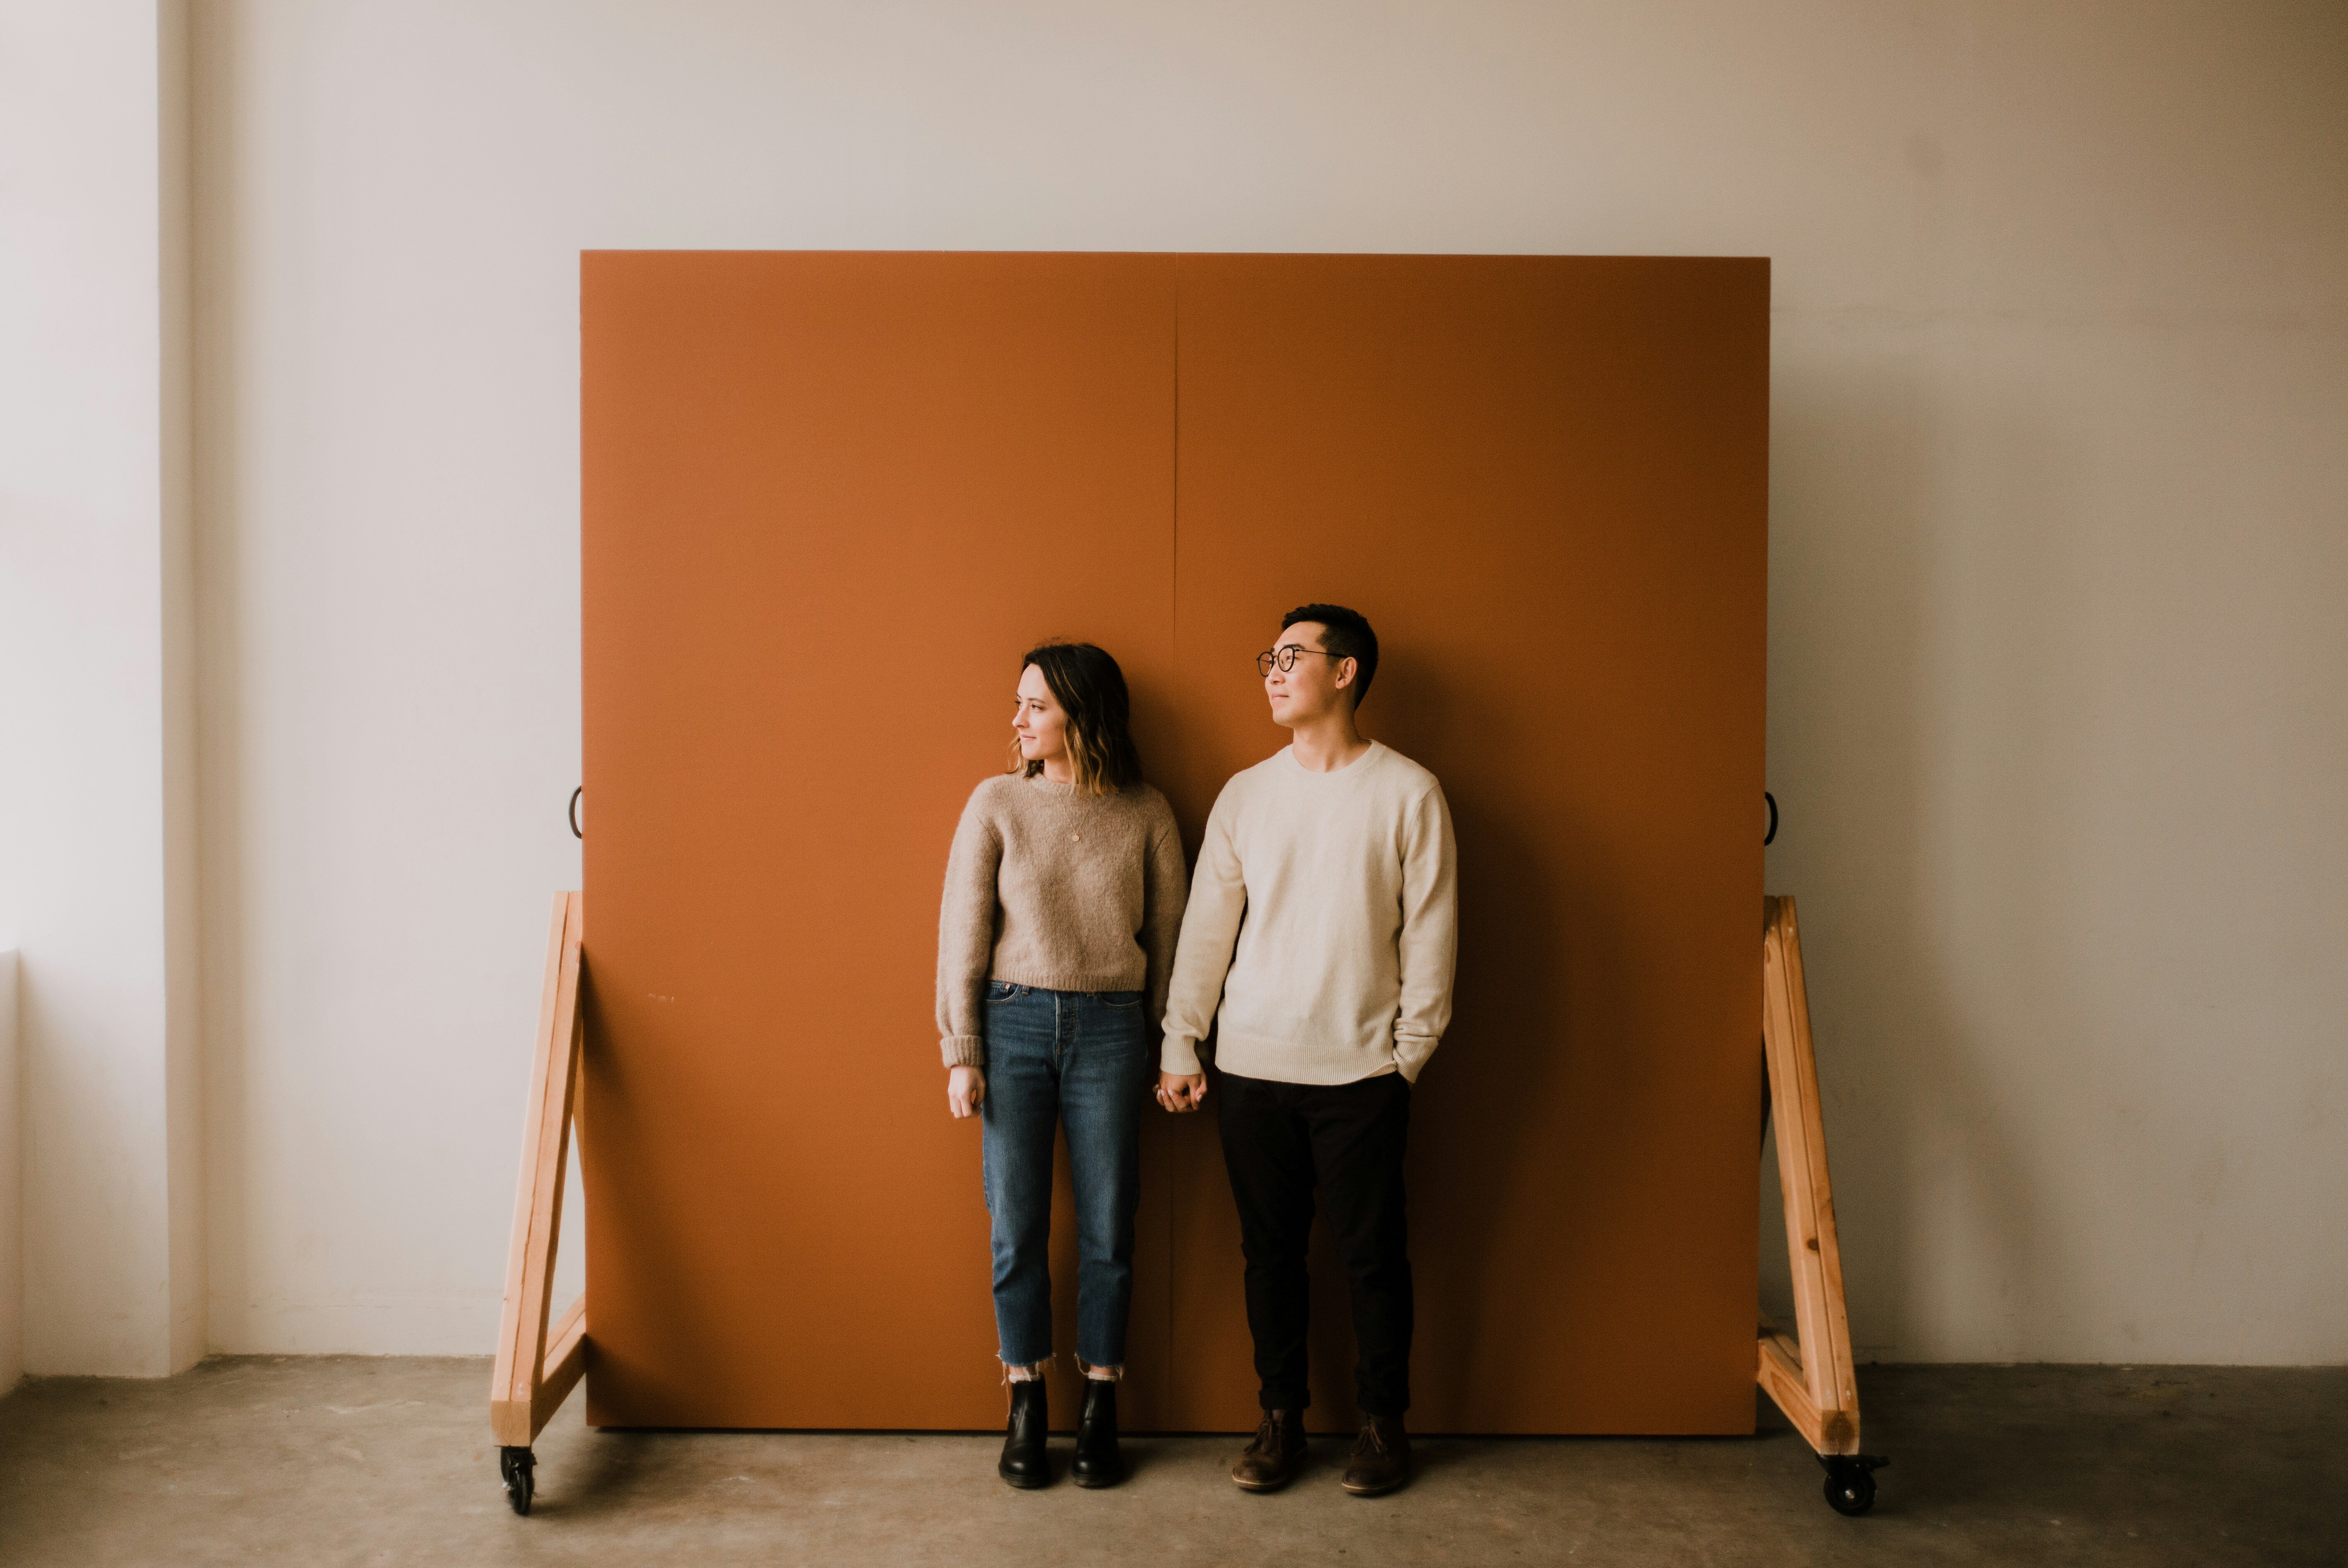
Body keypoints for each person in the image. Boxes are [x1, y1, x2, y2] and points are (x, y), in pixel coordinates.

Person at [1157, 604, 1458, 1498]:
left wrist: (1408, 1053)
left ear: (1346, 671)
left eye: (1293, 656)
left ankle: (1381, 1426)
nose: (1273, 672)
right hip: (1251, 1067)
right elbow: (1207, 934)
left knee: (1374, 1258)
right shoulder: (1246, 792)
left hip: (1362, 1072)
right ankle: (1279, 1419)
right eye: (1268, 657)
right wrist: (1182, 1038)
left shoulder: (1409, 791)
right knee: (1268, 1256)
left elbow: (1431, 934)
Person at [935, 641, 1188, 1490]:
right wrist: (960, 1050)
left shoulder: (1148, 810)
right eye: (1019, 703)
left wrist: (1175, 1043)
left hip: (1113, 1028)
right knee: (1016, 1224)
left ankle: (1100, 1404)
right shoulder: (996, 800)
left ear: (1083, 711)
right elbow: (962, 934)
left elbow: (1171, 939)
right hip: (1010, 1023)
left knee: (1110, 1226)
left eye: (1035, 704)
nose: (1017, 719)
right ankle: (1025, 1399)